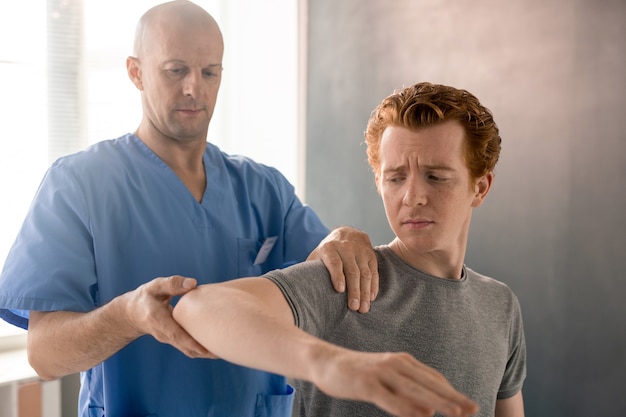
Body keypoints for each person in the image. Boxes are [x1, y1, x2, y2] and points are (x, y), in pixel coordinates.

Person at [0, 1, 379, 416]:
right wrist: (129, 316)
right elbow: (45, 355)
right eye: (175, 70)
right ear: (136, 72)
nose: (193, 88)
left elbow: (326, 272)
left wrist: (340, 238)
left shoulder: (263, 188)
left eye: (209, 72)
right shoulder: (78, 185)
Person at [172, 82, 527, 417]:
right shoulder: (347, 282)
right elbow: (197, 307)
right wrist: (330, 363)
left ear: (480, 187)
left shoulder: (500, 305)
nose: (412, 197)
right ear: (378, 182)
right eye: (396, 177)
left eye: (435, 177)